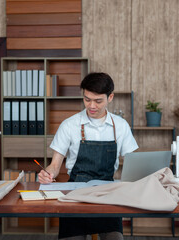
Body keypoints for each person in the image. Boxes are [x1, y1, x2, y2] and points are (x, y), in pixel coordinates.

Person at [38, 72, 139, 240]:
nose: (91, 105)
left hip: (107, 195)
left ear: (110, 97)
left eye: (98, 101)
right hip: (75, 194)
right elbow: (55, 165)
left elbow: (133, 163)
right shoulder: (69, 125)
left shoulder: (120, 126)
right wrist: (47, 174)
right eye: (87, 99)